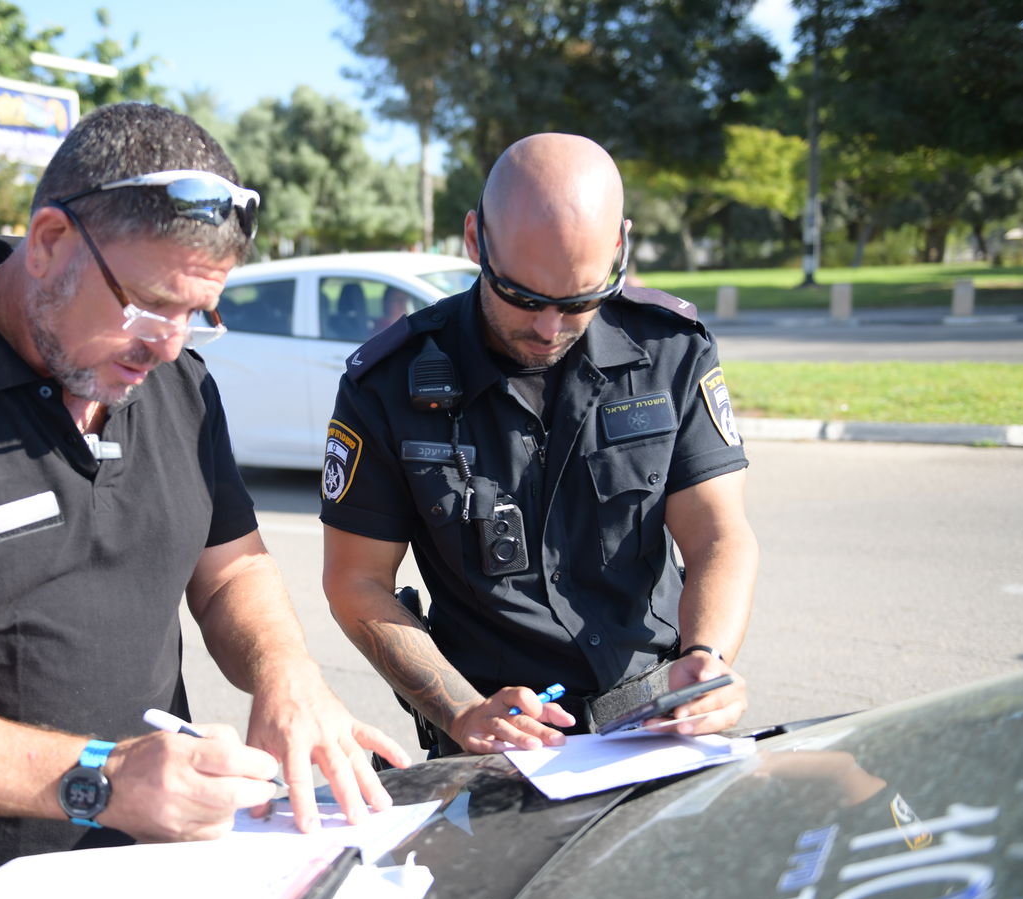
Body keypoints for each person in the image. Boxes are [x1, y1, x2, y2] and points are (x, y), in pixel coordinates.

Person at [0, 102, 409, 899]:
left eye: (198, 313)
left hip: (162, 866)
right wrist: (104, 778)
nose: (171, 345)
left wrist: (288, 672)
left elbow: (232, 570)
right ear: (48, 244)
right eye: (148, 304)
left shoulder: (177, 387)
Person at [319, 133, 758, 758]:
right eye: (522, 296)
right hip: (494, 744)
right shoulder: (387, 385)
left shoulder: (670, 351)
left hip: (656, 721)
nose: (550, 328)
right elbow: (356, 581)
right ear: (476, 241)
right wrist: (461, 709)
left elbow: (719, 534)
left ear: (619, 246)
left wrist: (707, 658)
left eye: (581, 299)